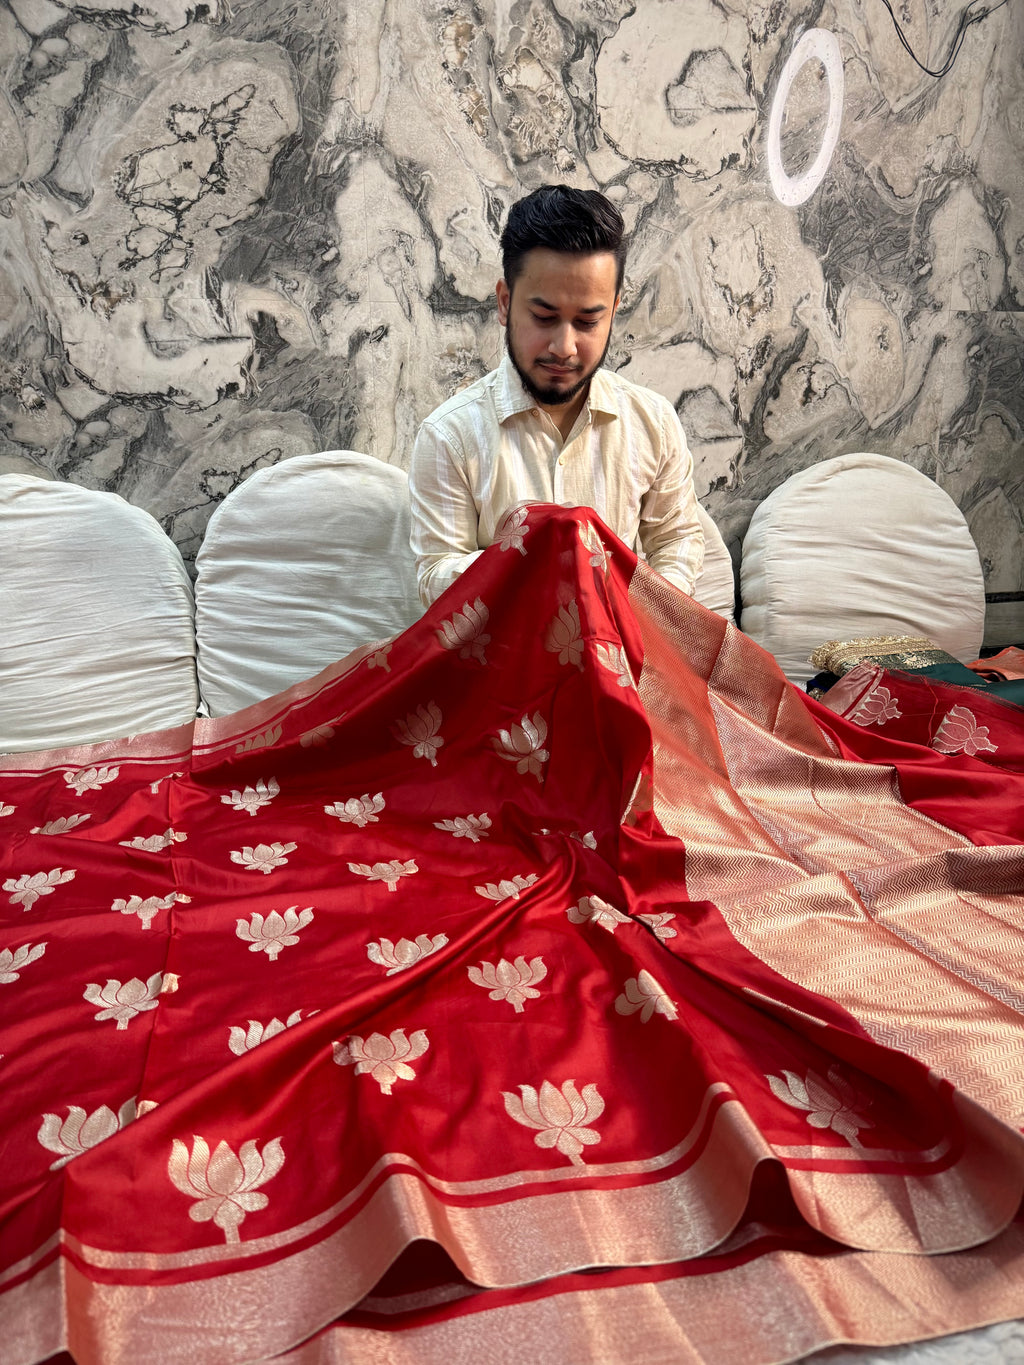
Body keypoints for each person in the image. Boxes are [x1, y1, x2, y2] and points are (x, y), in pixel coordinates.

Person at [408, 183, 705, 606]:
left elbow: (677, 541)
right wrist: (536, 558)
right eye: (544, 317)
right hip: (501, 663)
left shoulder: (653, 423)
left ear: (614, 311)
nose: (564, 347)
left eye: (587, 322)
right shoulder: (449, 436)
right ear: (505, 303)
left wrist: (635, 610)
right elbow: (435, 575)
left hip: (622, 652)